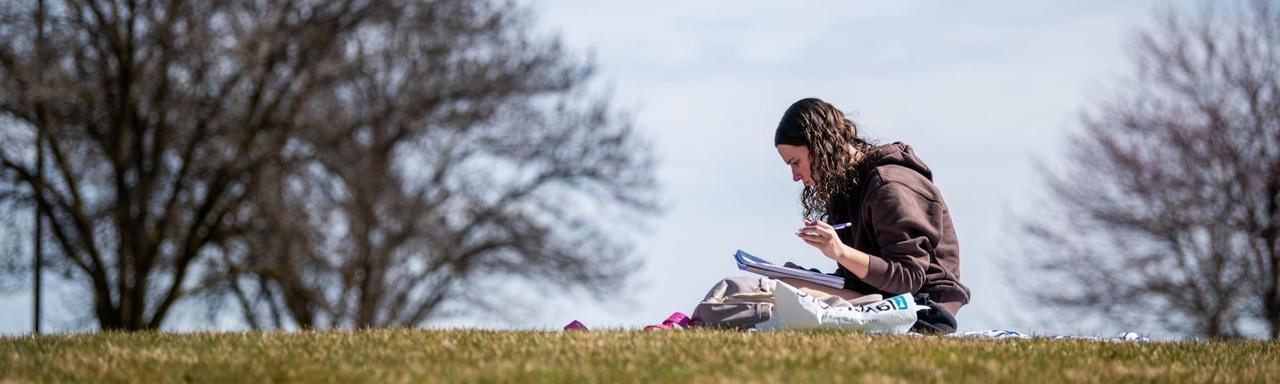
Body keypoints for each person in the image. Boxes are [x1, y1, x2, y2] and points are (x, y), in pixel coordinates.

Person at [773, 97, 970, 333]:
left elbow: (908, 278)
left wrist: (841, 252)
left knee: (786, 293)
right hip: (883, 299)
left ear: (821, 146)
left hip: (924, 309)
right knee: (784, 286)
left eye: (796, 162)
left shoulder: (889, 186)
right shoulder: (846, 188)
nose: (795, 176)